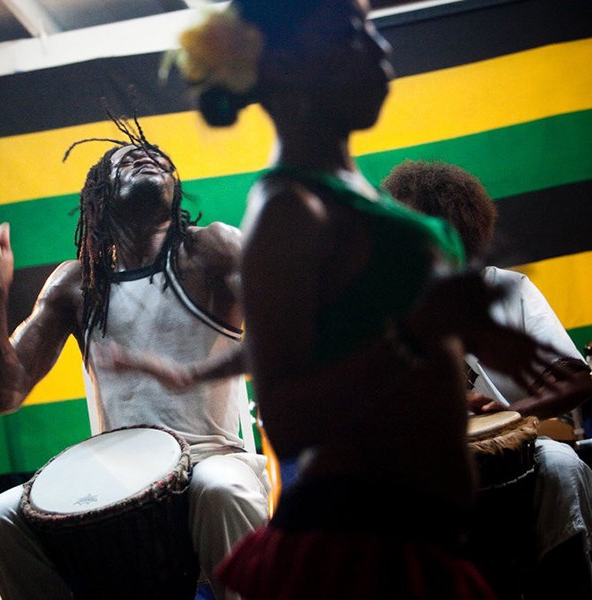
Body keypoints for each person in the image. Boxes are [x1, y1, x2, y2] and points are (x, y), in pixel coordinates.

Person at [168, 0, 588, 597]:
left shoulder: (353, 195)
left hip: (416, 539)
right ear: (289, 67)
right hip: (359, 548)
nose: (381, 47)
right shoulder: (290, 211)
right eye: (351, 31)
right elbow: (287, 418)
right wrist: (419, 334)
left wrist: (462, 339)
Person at [0, 123, 271, 600]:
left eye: (159, 155)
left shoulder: (213, 250)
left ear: (176, 186)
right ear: (99, 194)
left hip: (213, 458)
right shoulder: (76, 284)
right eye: (127, 157)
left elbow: (283, 335)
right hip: (119, 473)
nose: (148, 157)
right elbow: (4, 394)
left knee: (221, 489)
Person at [382, 159, 592, 598]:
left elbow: (576, 378)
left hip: (519, 453)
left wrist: (513, 414)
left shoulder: (508, 289)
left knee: (564, 465)